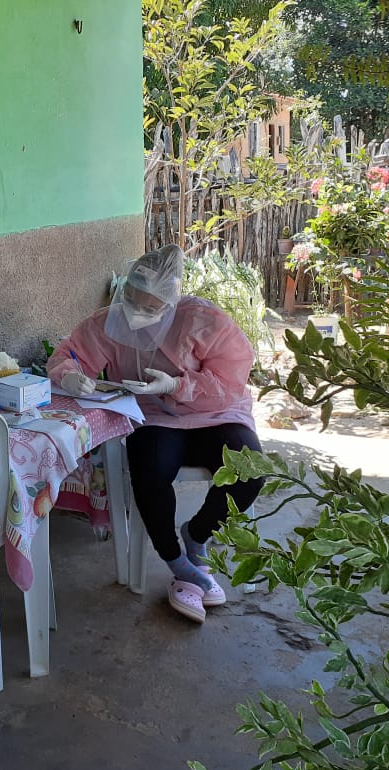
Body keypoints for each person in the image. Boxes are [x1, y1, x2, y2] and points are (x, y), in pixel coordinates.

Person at [47, 244, 263, 624]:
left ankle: (197, 534)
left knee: (250, 470)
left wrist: (177, 385)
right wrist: (70, 374)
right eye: (132, 300)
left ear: (171, 301)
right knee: (149, 469)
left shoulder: (202, 320)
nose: (137, 313)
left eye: (150, 307)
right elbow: (70, 354)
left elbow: (231, 380)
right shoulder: (107, 323)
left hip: (214, 413)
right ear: (124, 291)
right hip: (153, 418)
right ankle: (178, 562)